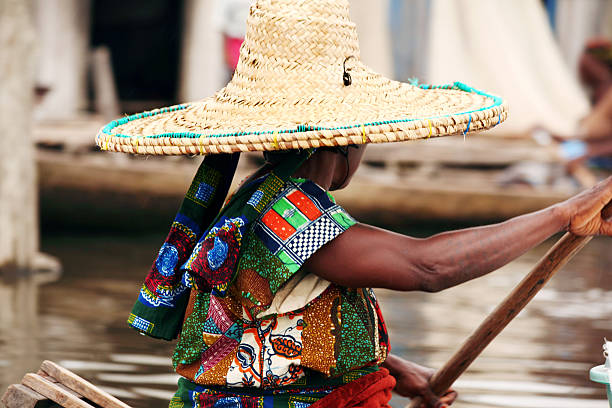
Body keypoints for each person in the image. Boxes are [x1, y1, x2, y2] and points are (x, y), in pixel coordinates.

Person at [95, 1, 612, 407]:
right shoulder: (286, 212)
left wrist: (392, 368)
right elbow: (426, 266)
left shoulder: (260, 194)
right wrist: (562, 214)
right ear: (344, 142)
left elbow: (276, 323)